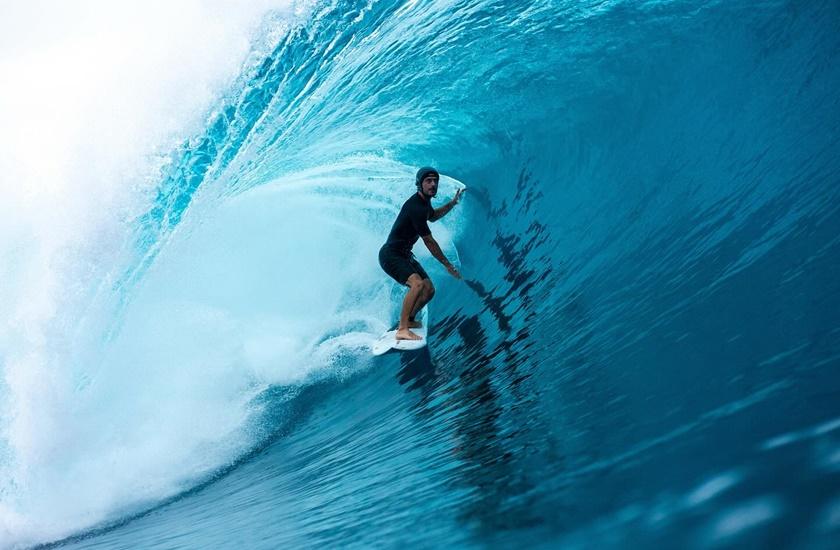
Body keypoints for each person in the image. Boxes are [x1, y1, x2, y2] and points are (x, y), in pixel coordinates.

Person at [379, 166, 464, 341]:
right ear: (419, 184)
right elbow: (429, 242)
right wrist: (448, 265)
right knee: (417, 284)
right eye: (428, 181)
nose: (433, 184)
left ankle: (409, 320)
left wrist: (452, 203)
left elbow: (432, 216)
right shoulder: (415, 207)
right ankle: (402, 328)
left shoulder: (424, 203)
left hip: (404, 254)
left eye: (435, 181)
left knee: (429, 290)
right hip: (390, 255)